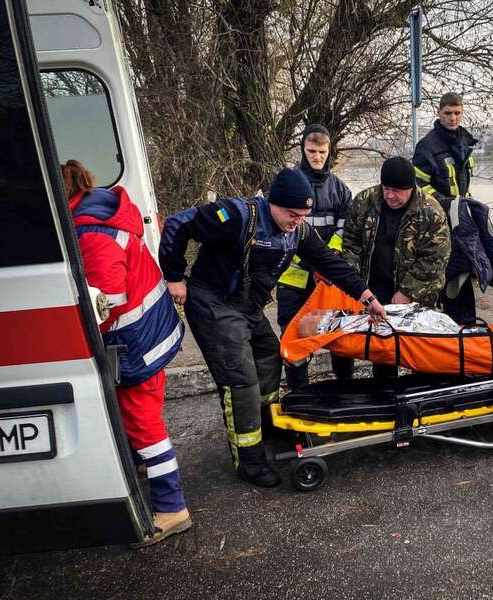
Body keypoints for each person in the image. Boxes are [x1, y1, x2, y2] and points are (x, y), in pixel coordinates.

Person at [159, 168, 386, 487]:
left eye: (303, 215)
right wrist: (174, 276)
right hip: (214, 301)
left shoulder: (299, 232)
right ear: (273, 203)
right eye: (292, 214)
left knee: (269, 355)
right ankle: (249, 459)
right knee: (241, 381)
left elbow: (330, 263)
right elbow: (177, 225)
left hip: (248, 306)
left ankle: (266, 423)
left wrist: (367, 296)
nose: (297, 221)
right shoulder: (237, 216)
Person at [62, 160, 190, 547]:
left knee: (144, 423)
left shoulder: (92, 232)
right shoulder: (99, 212)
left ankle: (171, 508)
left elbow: (107, 299)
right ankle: (142, 467)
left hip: (135, 341)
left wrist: (76, 336)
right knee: (142, 418)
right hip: (149, 334)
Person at [342, 156, 450, 378]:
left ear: (411, 188)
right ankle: (378, 395)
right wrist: (352, 283)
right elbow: (351, 243)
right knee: (381, 352)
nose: (390, 195)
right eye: (386, 188)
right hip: (371, 290)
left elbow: (435, 259)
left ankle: (421, 396)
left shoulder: (431, 212)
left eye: (397, 191)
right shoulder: (364, 201)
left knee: (418, 353)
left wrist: (406, 293)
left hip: (412, 296)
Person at [276, 124, 354, 389]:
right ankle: (299, 393)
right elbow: (283, 228)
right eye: (311, 151)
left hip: (327, 277)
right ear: (303, 149)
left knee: (339, 334)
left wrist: (329, 258)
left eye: (322, 151)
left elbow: (344, 229)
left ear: (329, 150)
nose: (317, 157)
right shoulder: (289, 182)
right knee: (295, 337)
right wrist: (314, 263)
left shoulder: (341, 190)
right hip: (294, 278)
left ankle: (345, 390)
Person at [412, 92, 488, 325]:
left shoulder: (465, 140)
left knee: (464, 270)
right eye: (448, 113)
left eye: (457, 113)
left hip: (462, 218)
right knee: (445, 273)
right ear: (439, 112)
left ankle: (467, 323)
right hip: (438, 220)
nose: (453, 118)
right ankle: (446, 324)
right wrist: (445, 203)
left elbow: (463, 184)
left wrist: (468, 206)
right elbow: (418, 185)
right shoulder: (427, 146)